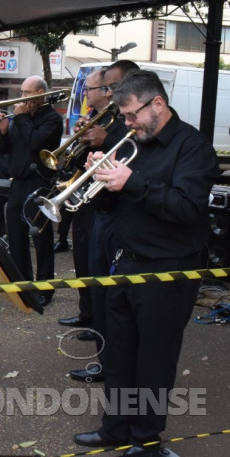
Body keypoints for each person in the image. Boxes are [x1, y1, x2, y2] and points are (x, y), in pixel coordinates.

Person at [74, 70, 219, 456]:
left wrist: (131, 181)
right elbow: (111, 205)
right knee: (117, 354)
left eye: (132, 115)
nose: (127, 123)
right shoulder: (130, 143)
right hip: (125, 263)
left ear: (158, 103)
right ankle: (115, 429)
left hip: (169, 270)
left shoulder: (194, 147)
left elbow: (186, 208)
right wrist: (99, 178)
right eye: (123, 117)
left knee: (154, 361)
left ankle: (147, 440)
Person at [70, 60, 139, 383]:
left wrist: (104, 140)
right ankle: (103, 359)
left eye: (111, 87)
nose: (109, 93)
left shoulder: (131, 121)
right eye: (106, 88)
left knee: (113, 299)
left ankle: (113, 365)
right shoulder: (113, 118)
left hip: (119, 219)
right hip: (100, 212)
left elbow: (132, 158)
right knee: (97, 287)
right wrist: (86, 139)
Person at [0, 76, 63, 305]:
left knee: (41, 238)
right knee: (16, 236)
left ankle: (44, 289)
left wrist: (22, 119)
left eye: (28, 93)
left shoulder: (52, 119)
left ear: (41, 94)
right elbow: (5, 150)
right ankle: (23, 285)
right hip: (18, 183)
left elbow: (35, 143)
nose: (23, 98)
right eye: (22, 92)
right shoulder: (20, 118)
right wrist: (4, 131)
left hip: (39, 183)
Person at [57, 69, 109, 334]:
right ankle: (86, 312)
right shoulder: (93, 117)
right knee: (82, 258)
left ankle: (97, 320)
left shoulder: (114, 120)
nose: (84, 93)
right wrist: (81, 139)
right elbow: (78, 162)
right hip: (85, 197)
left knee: (94, 261)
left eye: (88, 89)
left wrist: (103, 139)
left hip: (102, 199)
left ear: (106, 91)